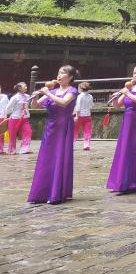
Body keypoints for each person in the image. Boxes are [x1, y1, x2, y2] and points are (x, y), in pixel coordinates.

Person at [28, 65, 79, 204]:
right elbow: (35, 106)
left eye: (63, 73)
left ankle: (56, 193)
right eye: (59, 72)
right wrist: (36, 96)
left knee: (59, 157)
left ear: (70, 77)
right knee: (46, 158)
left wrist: (48, 93)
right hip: (51, 128)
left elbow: (63, 103)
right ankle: (41, 193)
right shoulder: (54, 90)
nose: (59, 75)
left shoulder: (72, 90)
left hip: (63, 128)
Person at [106, 64, 136, 194]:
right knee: (125, 150)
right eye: (134, 73)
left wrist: (128, 93)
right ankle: (122, 182)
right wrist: (116, 96)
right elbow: (117, 106)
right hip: (128, 122)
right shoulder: (129, 88)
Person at [6, 82, 32, 155]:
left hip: (25, 118)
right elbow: (8, 109)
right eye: (24, 86)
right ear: (19, 88)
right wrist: (14, 112)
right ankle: (11, 150)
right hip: (15, 118)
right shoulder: (15, 97)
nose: (26, 87)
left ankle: (24, 149)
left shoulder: (28, 96)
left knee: (28, 132)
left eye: (26, 85)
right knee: (12, 135)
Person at [73, 82, 94, 151]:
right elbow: (91, 106)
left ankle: (72, 144)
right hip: (88, 115)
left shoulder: (80, 96)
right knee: (87, 131)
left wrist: (76, 115)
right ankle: (86, 145)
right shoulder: (90, 96)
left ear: (81, 89)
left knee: (75, 130)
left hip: (79, 115)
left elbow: (78, 107)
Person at [0, 85, 8, 154]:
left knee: (1, 133)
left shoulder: (4, 97)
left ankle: (1, 148)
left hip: (2, 117)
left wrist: (6, 116)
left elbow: (7, 107)